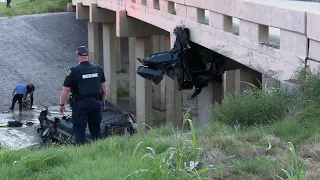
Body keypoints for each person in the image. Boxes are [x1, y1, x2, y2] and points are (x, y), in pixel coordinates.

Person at [59, 45, 107, 145]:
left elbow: (65, 90)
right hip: (96, 104)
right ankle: (99, 152)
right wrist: (103, 103)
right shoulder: (98, 69)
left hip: (81, 105)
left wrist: (61, 105)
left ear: (78, 57)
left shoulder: (73, 71)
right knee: (96, 130)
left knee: (79, 131)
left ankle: (81, 155)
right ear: (88, 56)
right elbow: (104, 90)